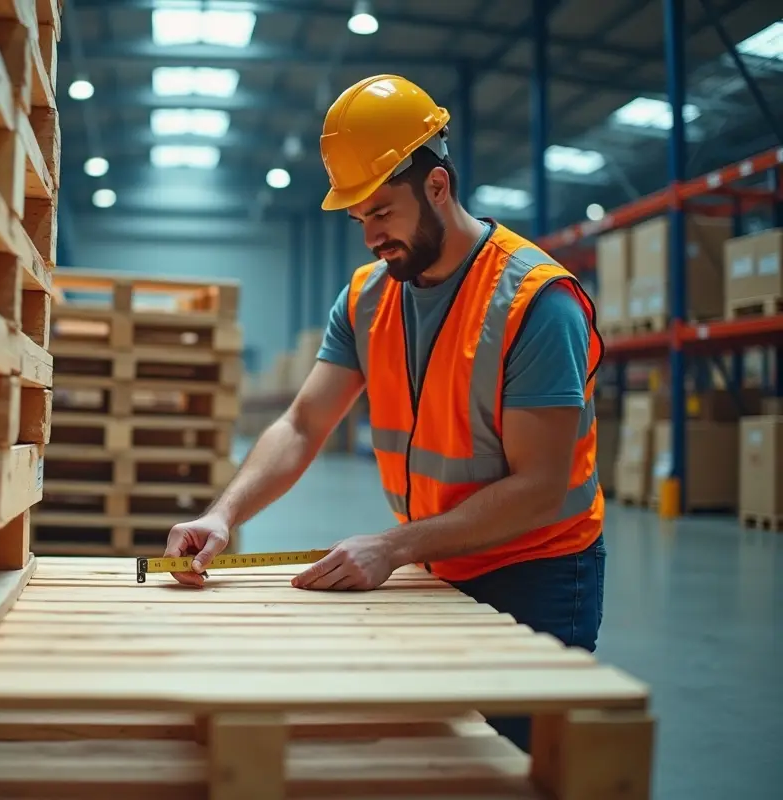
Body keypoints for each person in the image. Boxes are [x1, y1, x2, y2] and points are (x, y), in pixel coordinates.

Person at [161, 74, 607, 752]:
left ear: (437, 185)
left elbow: (542, 487)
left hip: (538, 570)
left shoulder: (535, 302)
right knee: (447, 759)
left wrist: (395, 547)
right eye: (358, 218)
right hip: (437, 564)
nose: (371, 236)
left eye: (382, 211)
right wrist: (224, 514)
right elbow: (303, 424)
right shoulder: (370, 296)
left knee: (518, 764)